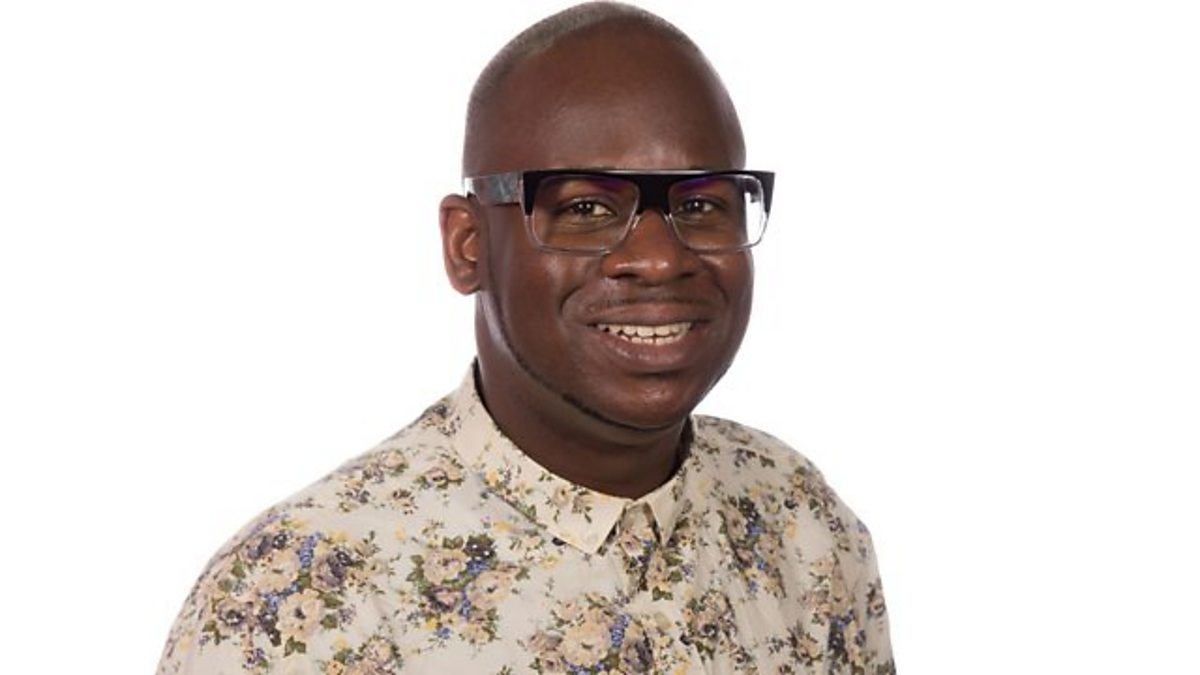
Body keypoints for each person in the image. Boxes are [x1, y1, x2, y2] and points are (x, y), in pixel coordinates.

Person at [156, 2, 894, 673]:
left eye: (701, 204)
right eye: (586, 208)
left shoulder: (799, 519)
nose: (660, 259)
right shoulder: (298, 598)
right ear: (468, 245)